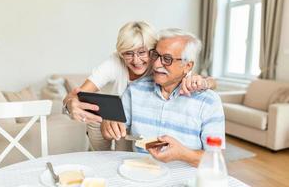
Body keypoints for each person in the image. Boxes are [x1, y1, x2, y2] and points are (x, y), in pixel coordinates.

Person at [63, 21, 216, 151]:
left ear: (153, 50)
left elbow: (204, 81)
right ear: (121, 53)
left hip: (139, 125)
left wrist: (206, 82)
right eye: (128, 53)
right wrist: (70, 104)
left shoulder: (161, 63)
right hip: (117, 116)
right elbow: (78, 95)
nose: (136, 60)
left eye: (142, 52)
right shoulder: (115, 62)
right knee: (109, 151)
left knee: (126, 152)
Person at [101, 28, 225, 167]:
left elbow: (217, 160)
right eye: (155, 55)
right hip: (140, 173)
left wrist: (183, 154)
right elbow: (111, 130)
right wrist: (108, 125)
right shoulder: (135, 90)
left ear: (187, 66)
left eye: (167, 59)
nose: (156, 64)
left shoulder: (209, 102)